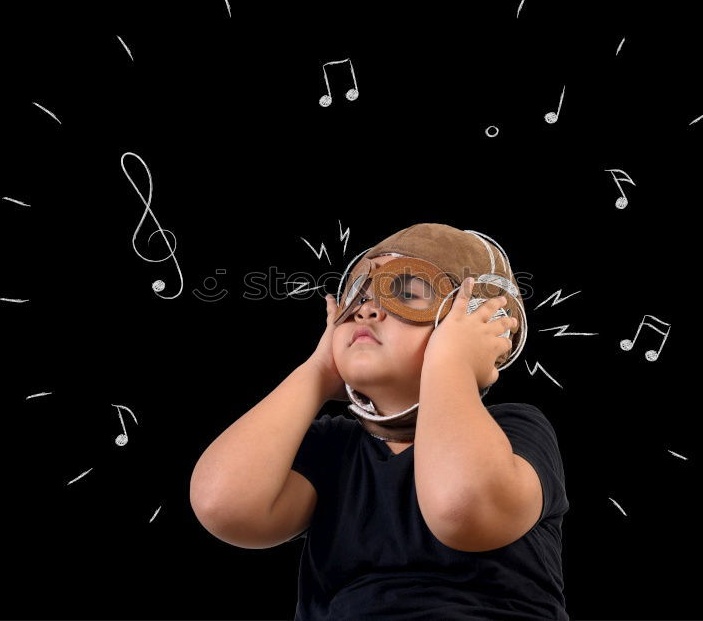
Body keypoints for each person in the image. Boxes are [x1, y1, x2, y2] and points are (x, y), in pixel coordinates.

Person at [190, 223, 569, 620]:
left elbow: (464, 509)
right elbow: (225, 505)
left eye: (406, 293)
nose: (365, 310)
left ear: (478, 325)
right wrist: (318, 370)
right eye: (357, 296)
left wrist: (451, 361)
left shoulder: (515, 429)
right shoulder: (331, 448)